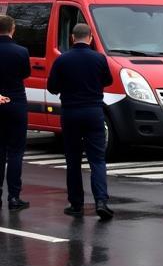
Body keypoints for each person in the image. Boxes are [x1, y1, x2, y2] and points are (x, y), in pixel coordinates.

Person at [47, 22, 114, 220]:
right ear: (90, 38)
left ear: (72, 38)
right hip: (93, 112)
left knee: (73, 160)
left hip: (71, 112)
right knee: (97, 160)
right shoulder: (99, 59)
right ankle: (101, 201)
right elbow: (108, 81)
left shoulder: (62, 60)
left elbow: (52, 87)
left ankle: (76, 204)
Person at [0, 14, 31, 212]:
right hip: (16, 101)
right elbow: (25, 73)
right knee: (16, 152)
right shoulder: (21, 52)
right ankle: (13, 196)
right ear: (12, 29)